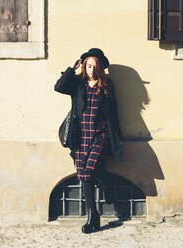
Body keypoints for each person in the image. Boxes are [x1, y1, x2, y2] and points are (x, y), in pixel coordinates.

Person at [54, 48, 123, 234]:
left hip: (100, 134)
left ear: (100, 68)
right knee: (84, 175)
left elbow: (114, 114)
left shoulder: (107, 85)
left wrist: (117, 137)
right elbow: (58, 86)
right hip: (80, 136)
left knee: (90, 169)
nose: (91, 70)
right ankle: (93, 216)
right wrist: (71, 67)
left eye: (95, 66)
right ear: (84, 66)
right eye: (88, 66)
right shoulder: (78, 84)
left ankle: (106, 183)